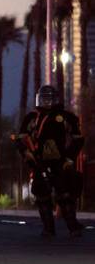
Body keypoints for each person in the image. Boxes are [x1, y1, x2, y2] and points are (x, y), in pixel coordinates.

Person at [17, 85, 85, 237]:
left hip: (60, 161)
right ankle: (48, 228)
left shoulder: (66, 117)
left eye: (49, 99)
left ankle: (73, 226)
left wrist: (69, 158)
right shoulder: (32, 118)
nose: (47, 102)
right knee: (42, 195)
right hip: (39, 161)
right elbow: (20, 139)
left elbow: (78, 139)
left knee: (65, 194)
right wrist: (28, 154)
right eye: (44, 99)